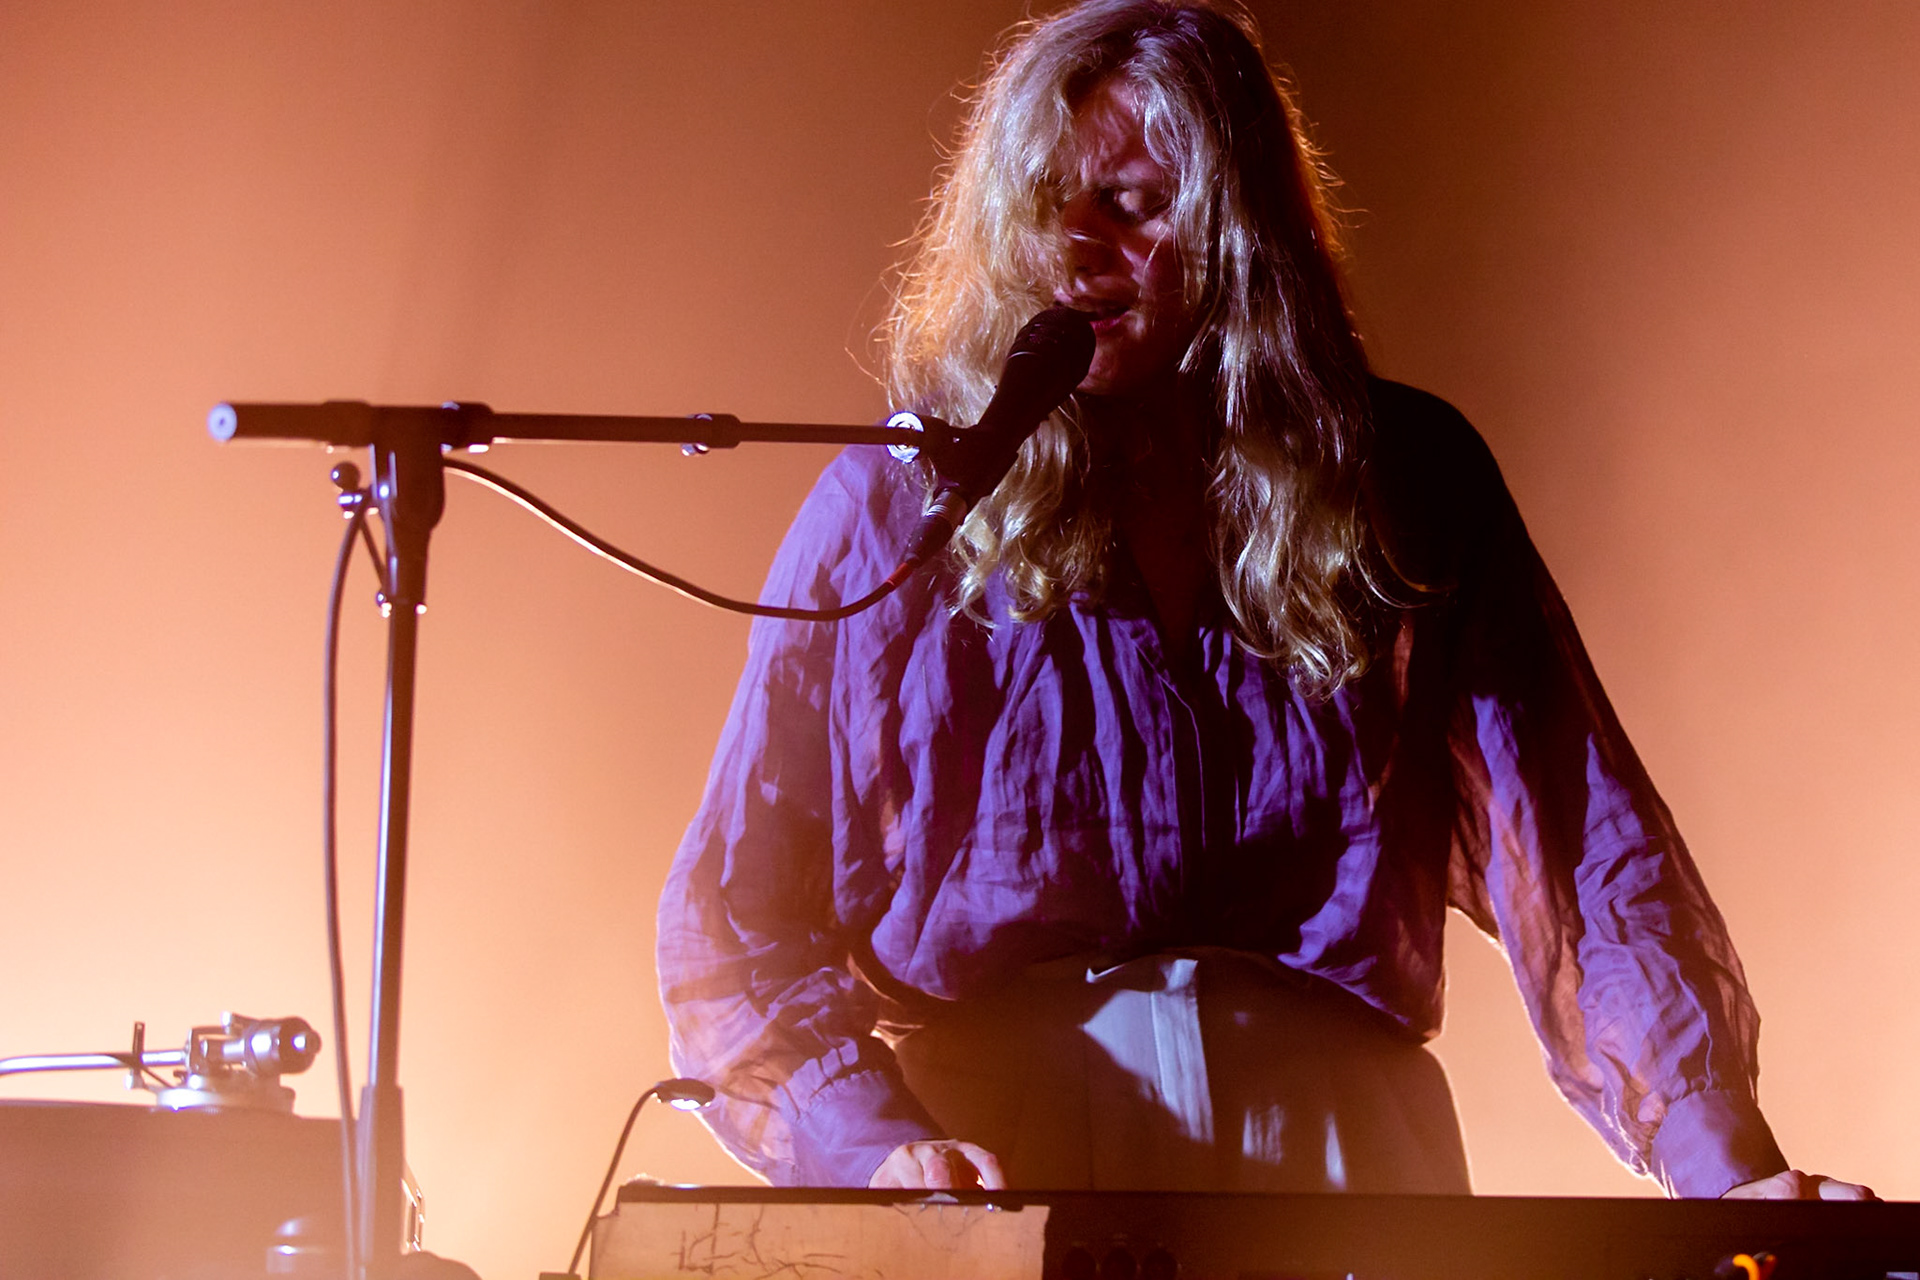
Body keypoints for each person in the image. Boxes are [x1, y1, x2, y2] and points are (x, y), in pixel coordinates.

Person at [657, 0, 1866, 1201]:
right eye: (1042, 205)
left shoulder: (1408, 479)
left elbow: (1582, 848)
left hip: (1339, 1157)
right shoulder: (899, 502)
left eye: (1130, 205)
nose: (1076, 244)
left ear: (1244, 222)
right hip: (1003, 1161)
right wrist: (870, 1142)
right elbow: (737, 911)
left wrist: (1729, 1173)